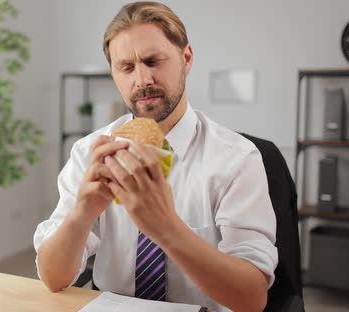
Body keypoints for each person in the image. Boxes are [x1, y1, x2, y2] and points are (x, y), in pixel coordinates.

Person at [34, 2, 277, 311]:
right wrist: (82, 212)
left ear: (186, 58)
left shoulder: (236, 159)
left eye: (153, 61)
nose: (142, 79)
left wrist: (165, 227)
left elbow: (251, 299)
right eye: (126, 67)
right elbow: (53, 279)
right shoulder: (90, 153)